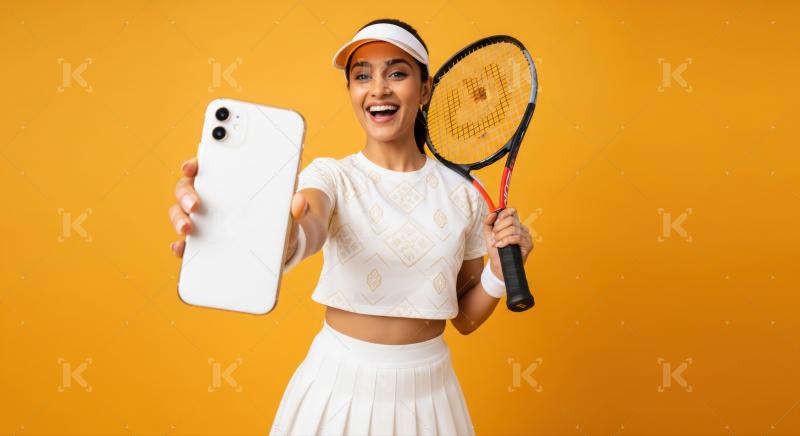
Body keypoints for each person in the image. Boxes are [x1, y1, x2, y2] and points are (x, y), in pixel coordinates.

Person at [168, 18, 534, 436]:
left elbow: (464, 317)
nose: (378, 88)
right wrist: (267, 230)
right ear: (352, 92)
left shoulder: (464, 192)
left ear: (426, 88)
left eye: (396, 72)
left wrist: (499, 274)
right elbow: (307, 228)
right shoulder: (330, 176)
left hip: (430, 391)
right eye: (362, 76)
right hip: (335, 385)